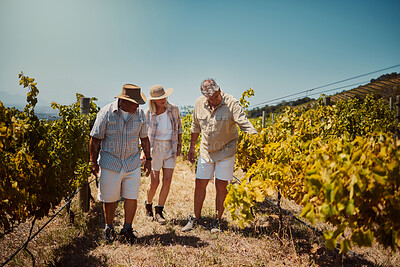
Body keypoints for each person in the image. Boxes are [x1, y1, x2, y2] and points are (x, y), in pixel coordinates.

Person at [182, 79, 257, 233]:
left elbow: (243, 122)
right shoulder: (199, 103)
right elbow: (195, 126)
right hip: (206, 150)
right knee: (200, 183)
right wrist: (191, 147)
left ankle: (217, 221)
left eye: (217, 96)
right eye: (211, 98)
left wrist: (255, 137)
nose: (215, 100)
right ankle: (196, 218)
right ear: (205, 97)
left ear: (219, 90)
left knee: (221, 186)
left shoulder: (231, 103)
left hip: (226, 149)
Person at [89, 84, 152, 245]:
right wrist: (93, 161)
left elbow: (144, 138)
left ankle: (127, 229)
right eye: (135, 102)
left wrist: (149, 159)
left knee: (132, 197)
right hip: (110, 162)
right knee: (109, 199)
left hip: (132, 162)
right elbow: (95, 138)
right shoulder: (106, 113)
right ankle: (109, 228)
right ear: (123, 101)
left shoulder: (139, 115)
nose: (138, 105)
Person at [143, 84, 182, 224]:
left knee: (167, 181)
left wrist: (179, 145)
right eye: (160, 98)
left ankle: (159, 211)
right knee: (154, 182)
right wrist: (144, 151)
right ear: (153, 100)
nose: (163, 100)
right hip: (155, 148)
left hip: (170, 147)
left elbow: (179, 128)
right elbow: (143, 134)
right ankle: (148, 203)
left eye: (164, 97)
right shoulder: (148, 113)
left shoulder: (174, 109)